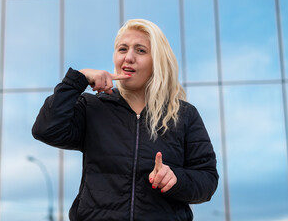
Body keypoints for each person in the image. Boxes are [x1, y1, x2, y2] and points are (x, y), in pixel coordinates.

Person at [32, 19, 218, 221]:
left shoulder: (184, 115)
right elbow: (45, 129)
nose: (129, 57)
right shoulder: (92, 107)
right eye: (122, 49)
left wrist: (176, 179)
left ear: (157, 61)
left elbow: (207, 180)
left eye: (140, 51)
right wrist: (79, 78)